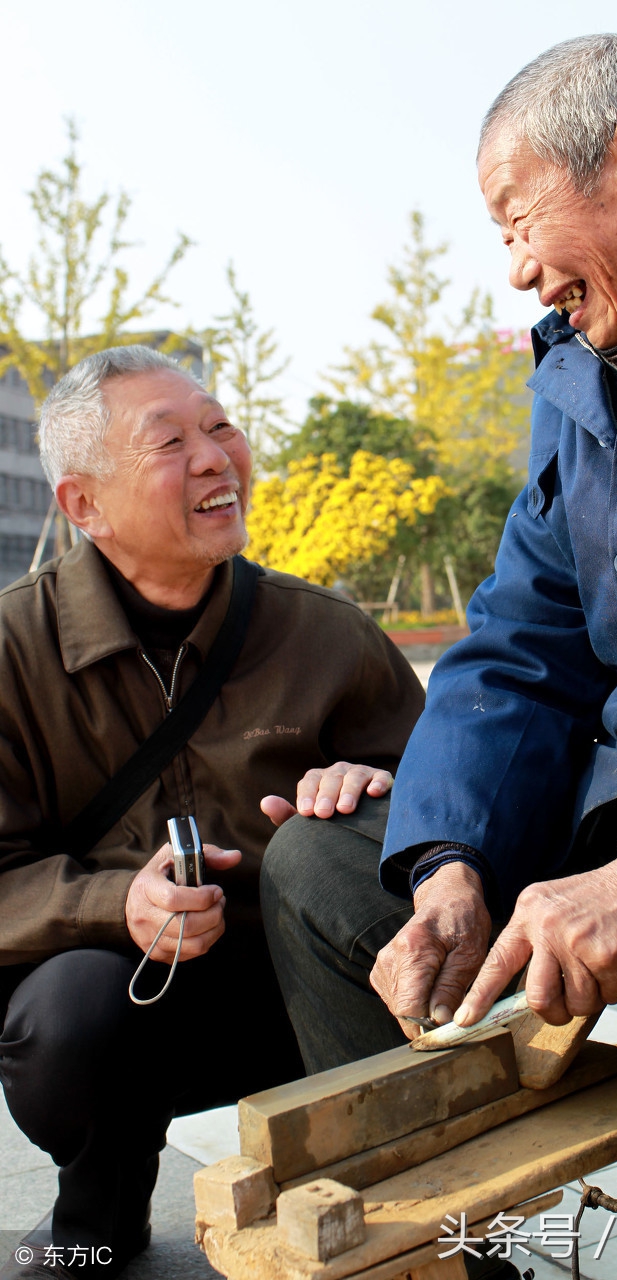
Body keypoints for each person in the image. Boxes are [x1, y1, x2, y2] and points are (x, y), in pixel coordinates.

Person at [262, 33, 617, 1278]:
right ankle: (464, 1259)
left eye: (516, 221)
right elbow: (516, 643)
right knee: (325, 873)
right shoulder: (574, 368)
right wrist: (453, 859)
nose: (521, 273)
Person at [0, 345, 425, 1280]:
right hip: (128, 997)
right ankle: (99, 1204)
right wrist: (120, 905)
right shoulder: (11, 653)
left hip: (299, 990)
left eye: (220, 426)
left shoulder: (327, 633)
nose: (214, 458)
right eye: (170, 441)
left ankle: (384, 1203)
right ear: (83, 505)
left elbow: (444, 798)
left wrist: (366, 792)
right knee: (68, 1019)